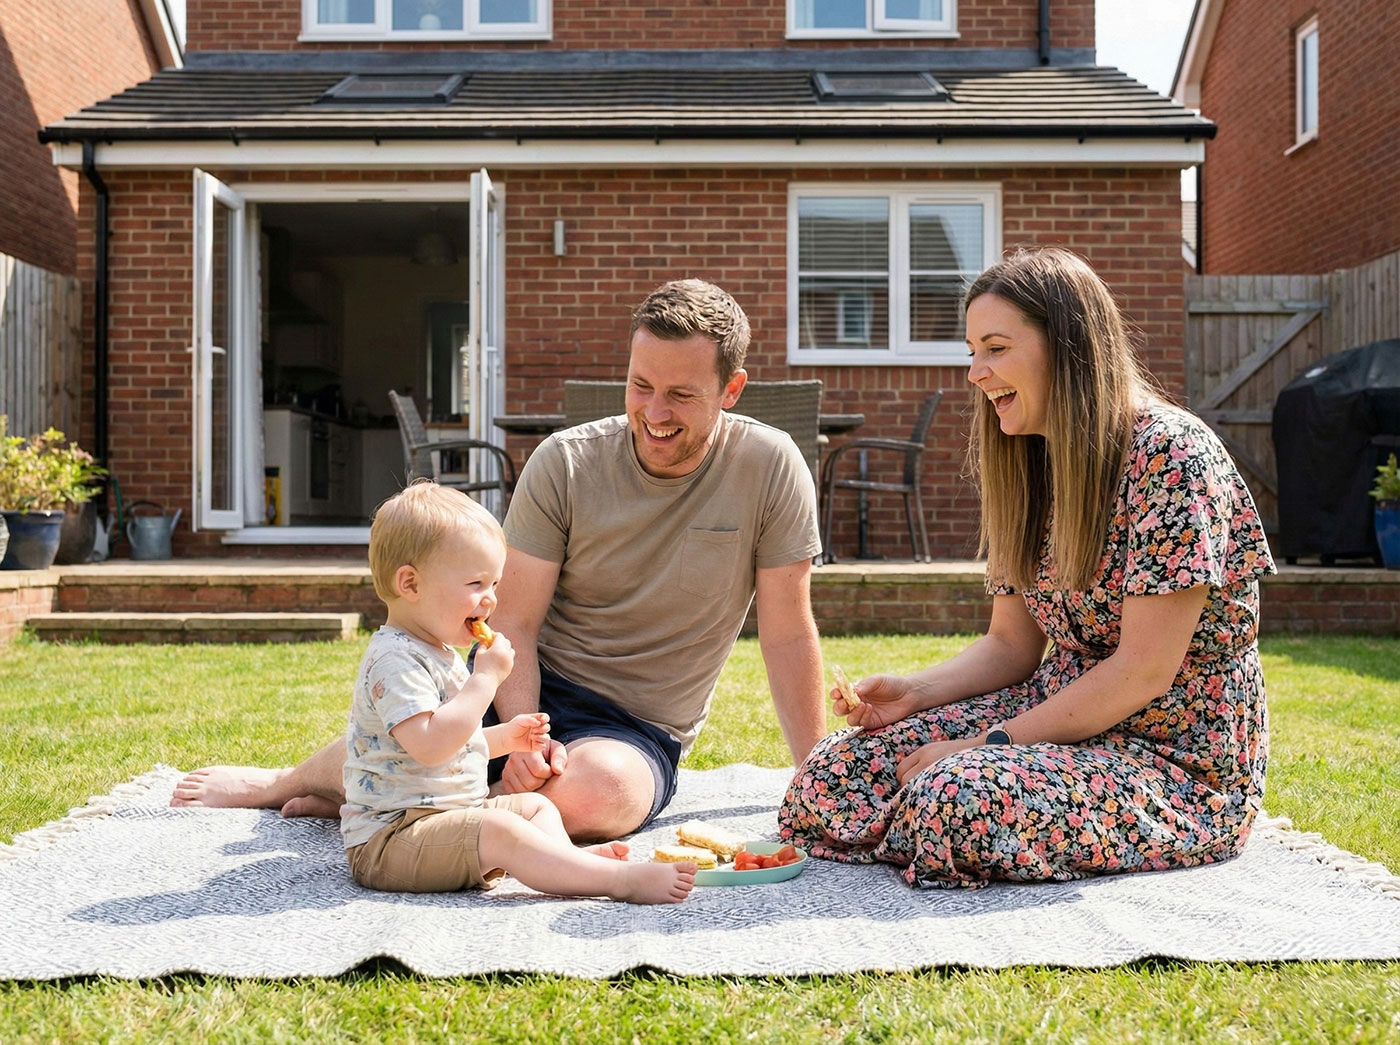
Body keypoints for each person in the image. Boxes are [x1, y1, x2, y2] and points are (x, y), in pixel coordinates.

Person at [172, 279, 827, 841]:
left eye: (681, 395)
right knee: (413, 735)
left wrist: (813, 776)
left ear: (732, 387)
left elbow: (788, 630)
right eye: (639, 385)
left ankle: (390, 802)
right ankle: (283, 784)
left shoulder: (771, 469)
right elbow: (514, 620)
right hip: (525, 683)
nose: (654, 412)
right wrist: (523, 734)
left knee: (598, 796)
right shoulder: (565, 461)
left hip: (634, 726)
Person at [779, 246, 1275, 889]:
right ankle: (927, 823)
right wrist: (916, 693)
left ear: (1067, 346)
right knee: (832, 772)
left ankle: (928, 822)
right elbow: (1012, 645)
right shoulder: (1028, 462)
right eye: (971, 352)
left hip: (1173, 758)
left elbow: (1143, 670)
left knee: (958, 794)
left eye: (995, 347)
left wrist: (988, 747)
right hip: (1053, 717)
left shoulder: (1172, 457)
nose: (975, 372)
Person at [340, 480, 695, 903]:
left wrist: (507, 738)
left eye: (494, 584)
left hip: (445, 817)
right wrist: (485, 680)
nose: (490, 601)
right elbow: (431, 747)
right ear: (411, 584)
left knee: (535, 807)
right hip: (392, 840)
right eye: (475, 584)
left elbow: (454, 746)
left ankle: (564, 861)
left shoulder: (437, 650)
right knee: (502, 831)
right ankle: (616, 882)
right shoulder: (394, 659)